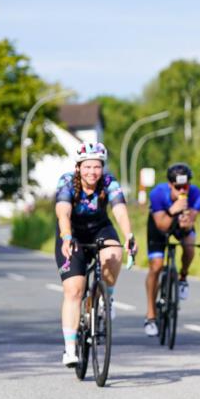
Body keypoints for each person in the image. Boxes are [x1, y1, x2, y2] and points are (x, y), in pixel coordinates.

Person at [54, 143, 137, 368]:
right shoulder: (67, 182)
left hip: (100, 228)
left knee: (114, 252)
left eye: (97, 166)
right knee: (74, 290)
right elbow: (63, 212)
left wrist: (128, 234)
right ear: (79, 167)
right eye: (87, 166)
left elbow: (119, 209)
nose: (92, 171)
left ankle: (106, 297)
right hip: (72, 232)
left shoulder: (109, 182)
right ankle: (70, 349)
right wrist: (67, 236)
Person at [143, 162, 200, 337]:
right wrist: (172, 211)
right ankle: (150, 315)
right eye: (178, 187)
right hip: (160, 222)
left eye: (186, 186)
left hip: (179, 224)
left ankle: (183, 277)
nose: (182, 190)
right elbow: (162, 226)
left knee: (190, 244)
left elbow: (187, 227)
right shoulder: (157, 194)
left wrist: (186, 221)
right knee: (156, 266)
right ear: (170, 185)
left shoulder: (196, 195)